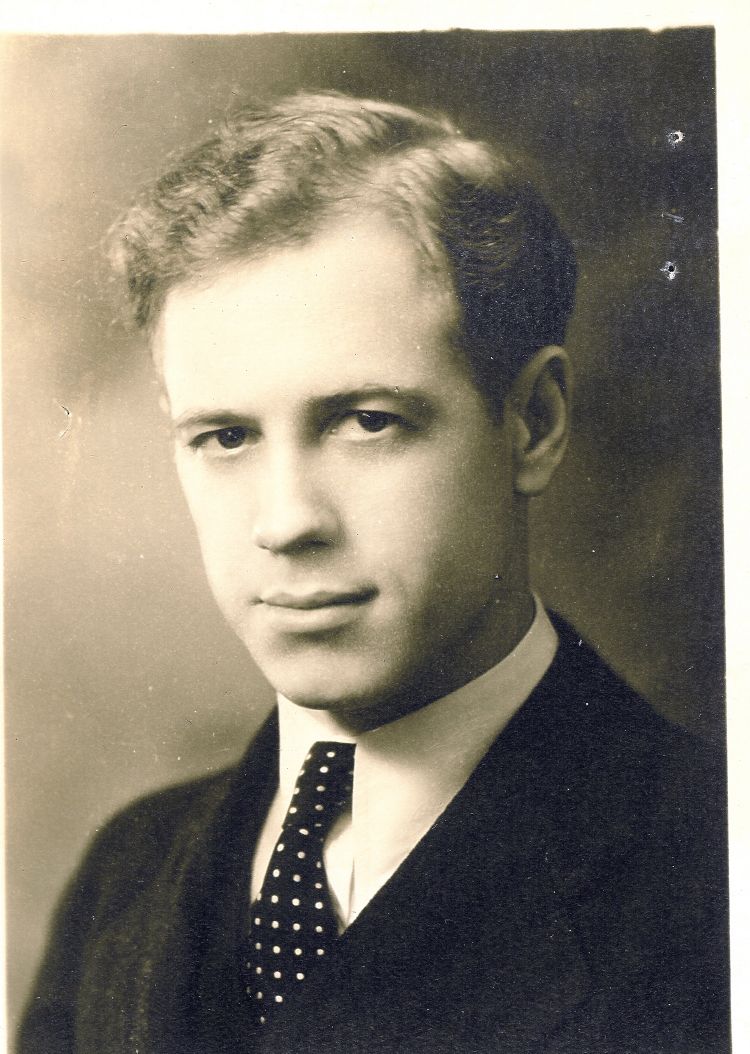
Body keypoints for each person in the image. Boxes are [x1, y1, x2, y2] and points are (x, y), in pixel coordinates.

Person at [19, 92, 728, 1054]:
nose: (286, 522)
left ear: (533, 423)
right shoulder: (128, 873)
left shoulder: (710, 869)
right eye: (225, 437)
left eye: (366, 421)